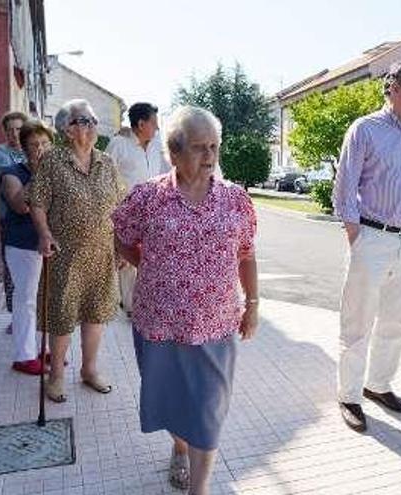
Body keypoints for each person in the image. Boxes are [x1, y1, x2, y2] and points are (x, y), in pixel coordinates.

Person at [112, 106, 258, 494]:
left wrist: (253, 306)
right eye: (198, 147)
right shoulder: (147, 197)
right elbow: (122, 238)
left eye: (214, 146)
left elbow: (246, 253)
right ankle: (179, 446)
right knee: (172, 399)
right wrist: (153, 265)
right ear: (174, 153)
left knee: (210, 408)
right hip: (159, 321)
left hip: (217, 322)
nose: (209, 156)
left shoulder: (235, 200)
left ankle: (200, 487)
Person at [332, 60, 401, 433]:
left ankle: (379, 385)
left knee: (396, 320)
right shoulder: (365, 129)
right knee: (358, 321)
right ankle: (350, 395)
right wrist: (357, 236)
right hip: (372, 237)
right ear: (393, 87)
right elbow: (344, 189)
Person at [28, 99, 126, 402]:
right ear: (67, 130)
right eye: (84, 120)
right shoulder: (52, 160)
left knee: (96, 315)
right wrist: (44, 233)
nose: (92, 125)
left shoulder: (106, 162)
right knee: (61, 316)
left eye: (93, 120)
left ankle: (89, 370)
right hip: (65, 254)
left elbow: (120, 206)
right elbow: (38, 202)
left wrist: (121, 245)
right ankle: (56, 376)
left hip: (101, 253)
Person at [105, 102, 171, 315]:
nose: (157, 128)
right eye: (154, 123)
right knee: (127, 261)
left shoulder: (155, 146)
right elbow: (104, 178)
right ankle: (133, 307)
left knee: (148, 257)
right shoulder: (118, 144)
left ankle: (139, 303)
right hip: (125, 212)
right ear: (141, 124)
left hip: (152, 211)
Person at [0, 119, 54, 375]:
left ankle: (43, 349)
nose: (41, 148)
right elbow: (20, 205)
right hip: (23, 245)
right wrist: (40, 175)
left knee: (46, 299)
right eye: (34, 144)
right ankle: (24, 356)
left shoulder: (57, 172)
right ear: (24, 149)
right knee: (26, 299)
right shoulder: (13, 173)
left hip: (51, 245)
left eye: (45, 143)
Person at [0, 111, 28, 318]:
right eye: (10, 130)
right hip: (11, 219)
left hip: (37, 219)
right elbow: (8, 176)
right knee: (12, 270)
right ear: (5, 132)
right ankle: (15, 315)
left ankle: (34, 316)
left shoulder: (35, 149)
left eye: (19, 129)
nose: (15, 134)